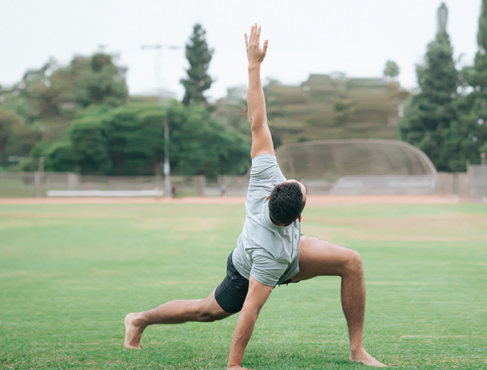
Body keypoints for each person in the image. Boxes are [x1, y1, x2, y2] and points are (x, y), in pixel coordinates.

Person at [124, 24, 385, 369]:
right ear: (297, 216)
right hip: (250, 265)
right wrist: (234, 364)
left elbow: (257, 120)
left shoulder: (266, 177)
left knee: (351, 261)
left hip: (291, 250)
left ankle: (357, 350)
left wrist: (253, 65)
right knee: (206, 312)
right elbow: (250, 310)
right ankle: (139, 319)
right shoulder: (268, 256)